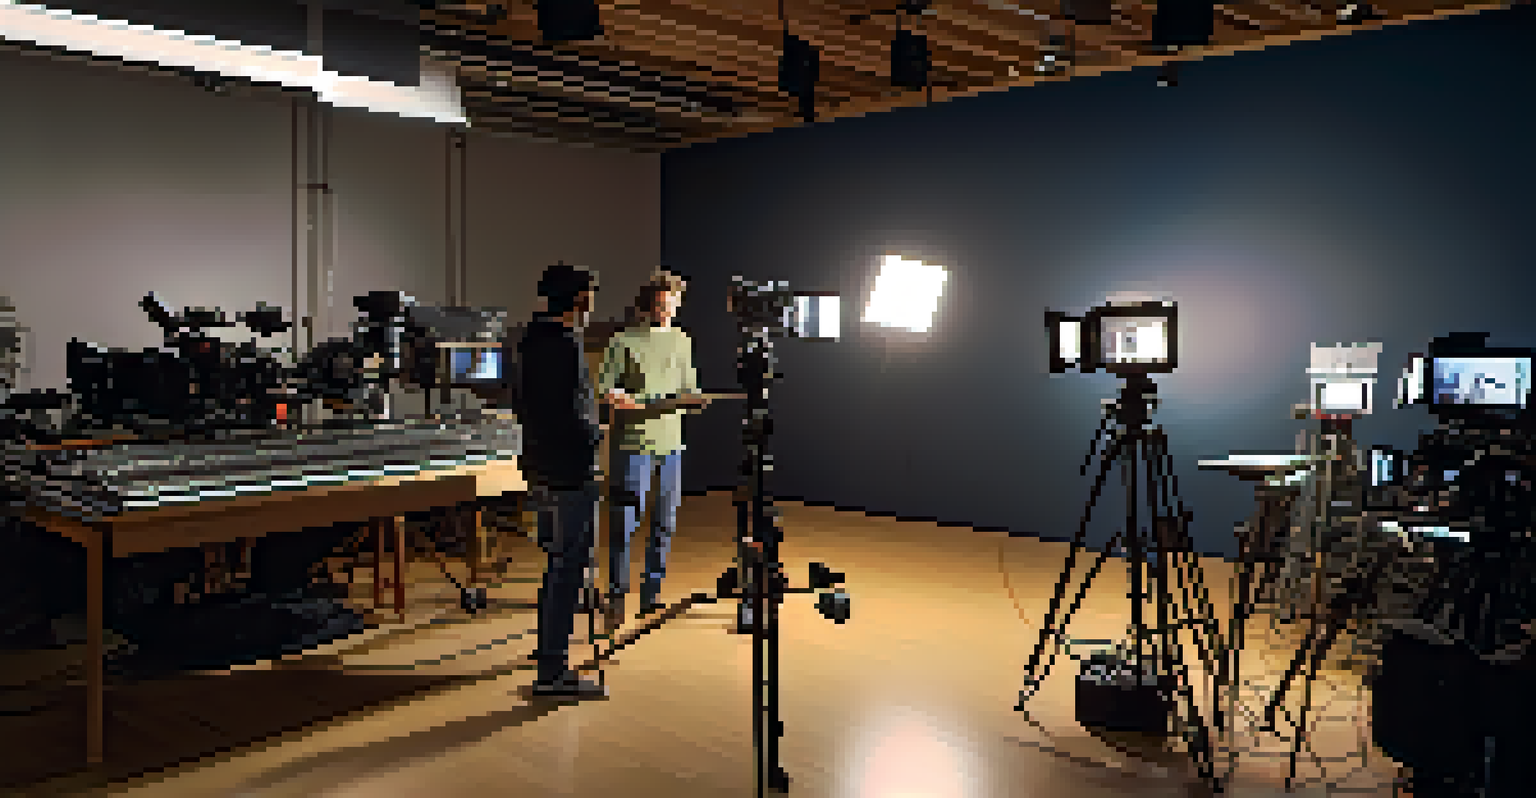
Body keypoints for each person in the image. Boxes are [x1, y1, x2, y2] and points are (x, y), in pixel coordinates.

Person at [598, 270, 710, 628]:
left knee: (665, 523)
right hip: (633, 445)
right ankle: (616, 596)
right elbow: (605, 389)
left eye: (672, 304)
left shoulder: (681, 340)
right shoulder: (623, 341)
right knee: (624, 524)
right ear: (650, 303)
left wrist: (696, 399)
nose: (666, 309)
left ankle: (652, 597)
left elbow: (688, 386)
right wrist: (620, 399)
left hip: (672, 445)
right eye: (660, 303)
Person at [517, 262, 607, 699]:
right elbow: (572, 415)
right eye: (589, 293)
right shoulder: (565, 346)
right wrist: (595, 434)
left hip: (542, 468)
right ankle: (552, 673)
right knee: (568, 569)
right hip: (569, 472)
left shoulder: (530, 342)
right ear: (577, 299)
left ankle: (549, 657)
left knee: (557, 567)